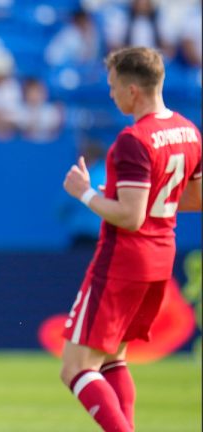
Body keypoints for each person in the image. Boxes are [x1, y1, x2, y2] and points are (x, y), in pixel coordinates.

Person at [61, 46, 202, 432]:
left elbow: (131, 216)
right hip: (161, 257)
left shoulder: (133, 140)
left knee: (75, 368)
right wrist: (132, 195)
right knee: (112, 359)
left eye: (113, 86)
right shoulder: (189, 131)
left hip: (124, 260)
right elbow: (194, 198)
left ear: (133, 90)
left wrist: (86, 193)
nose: (111, 94)